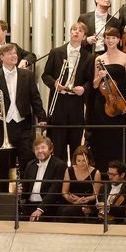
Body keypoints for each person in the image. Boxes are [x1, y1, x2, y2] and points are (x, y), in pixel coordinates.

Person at [0, 43, 45, 177]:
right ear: (1, 57)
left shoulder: (27, 75)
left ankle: (25, 190)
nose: (14, 56)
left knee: (27, 161)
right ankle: (3, 190)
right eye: (9, 54)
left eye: (15, 53)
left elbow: (35, 99)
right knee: (2, 163)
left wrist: (42, 117)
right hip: (2, 125)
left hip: (23, 124)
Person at [44, 22, 93, 163]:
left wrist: (83, 89)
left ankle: (74, 175)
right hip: (59, 102)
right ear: (70, 32)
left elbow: (90, 81)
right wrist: (55, 84)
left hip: (76, 103)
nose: (76, 32)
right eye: (74, 29)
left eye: (80, 30)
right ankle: (59, 175)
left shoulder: (89, 57)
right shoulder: (56, 52)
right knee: (57, 145)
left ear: (84, 36)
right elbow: (45, 75)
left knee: (75, 144)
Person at [88, 27, 126, 170]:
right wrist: (99, 77)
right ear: (104, 40)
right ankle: (101, 170)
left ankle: (119, 171)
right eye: (108, 38)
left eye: (113, 38)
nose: (110, 40)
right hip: (102, 104)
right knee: (101, 137)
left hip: (118, 102)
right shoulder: (99, 59)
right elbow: (95, 85)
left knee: (117, 137)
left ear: (119, 40)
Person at [21, 135, 64, 222]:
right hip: (29, 205)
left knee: (36, 221)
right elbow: (25, 189)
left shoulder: (59, 165)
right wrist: (20, 192)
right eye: (37, 148)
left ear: (51, 149)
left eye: (43, 147)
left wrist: (40, 209)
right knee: (12, 220)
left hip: (47, 208)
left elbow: (54, 191)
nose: (40, 151)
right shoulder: (30, 165)